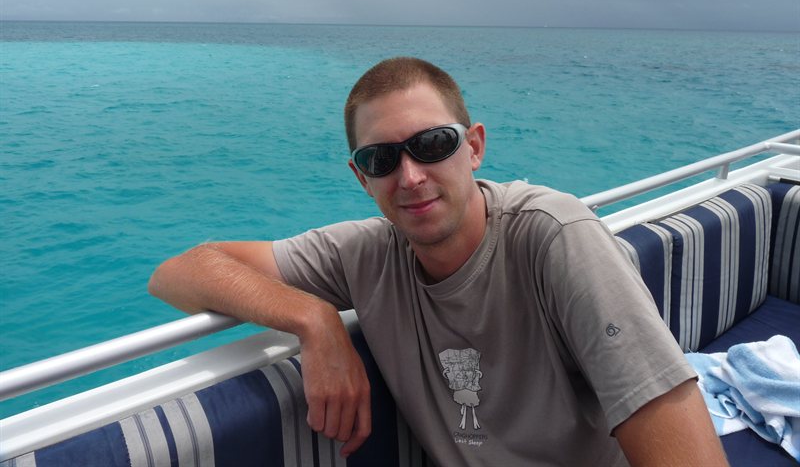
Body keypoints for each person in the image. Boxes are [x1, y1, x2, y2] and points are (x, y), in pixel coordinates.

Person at [149, 57, 728, 466]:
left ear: (473, 146)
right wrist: (313, 320)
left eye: (432, 145)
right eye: (381, 158)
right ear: (361, 178)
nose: (410, 176)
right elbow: (179, 272)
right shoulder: (365, 253)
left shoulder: (555, 237)